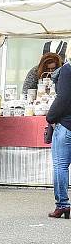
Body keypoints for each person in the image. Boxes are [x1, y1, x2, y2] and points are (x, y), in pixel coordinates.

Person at [47, 57, 71, 219]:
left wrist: (50, 117)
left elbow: (63, 98)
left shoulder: (68, 70)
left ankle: (62, 204)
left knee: (60, 166)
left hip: (66, 124)